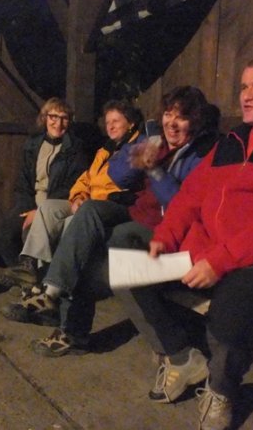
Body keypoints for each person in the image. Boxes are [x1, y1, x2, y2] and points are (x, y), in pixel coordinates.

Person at [115, 56, 253, 430]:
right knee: (127, 268)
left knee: (231, 311)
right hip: (205, 255)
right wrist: (166, 237)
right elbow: (189, 198)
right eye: (244, 87)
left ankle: (221, 389)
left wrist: (221, 260)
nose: (247, 95)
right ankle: (180, 356)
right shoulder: (230, 143)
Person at [26, 86, 220, 358]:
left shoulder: (201, 155)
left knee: (90, 255)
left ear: (195, 122)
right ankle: (52, 291)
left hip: (163, 229)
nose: (172, 124)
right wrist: (142, 151)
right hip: (135, 212)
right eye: (168, 115)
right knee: (90, 211)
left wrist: (154, 169)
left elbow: (179, 205)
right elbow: (116, 175)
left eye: (182, 117)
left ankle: (73, 332)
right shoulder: (157, 142)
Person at [0, 99, 144, 326]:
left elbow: (116, 180)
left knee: (64, 226)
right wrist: (78, 196)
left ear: (131, 123)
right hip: (82, 200)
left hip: (105, 206)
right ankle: (29, 270)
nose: (111, 126)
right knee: (43, 211)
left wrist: (85, 194)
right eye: (108, 122)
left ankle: (45, 294)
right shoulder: (107, 149)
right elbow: (85, 179)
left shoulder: (137, 147)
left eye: (116, 121)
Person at [0, 98, 88, 271]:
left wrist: (39, 211)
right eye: (53, 117)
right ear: (45, 118)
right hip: (31, 201)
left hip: (55, 204)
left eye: (64, 118)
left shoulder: (75, 149)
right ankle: (21, 274)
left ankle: (36, 276)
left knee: (30, 232)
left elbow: (72, 185)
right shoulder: (33, 145)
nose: (58, 123)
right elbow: (23, 181)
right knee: (2, 232)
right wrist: (28, 207)